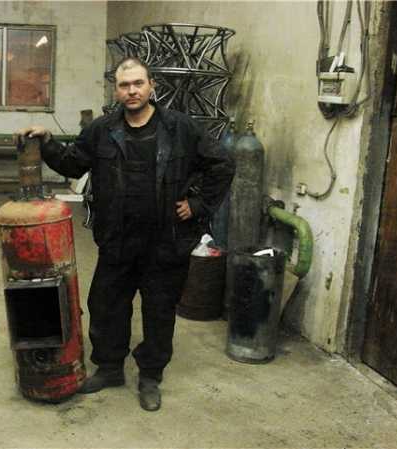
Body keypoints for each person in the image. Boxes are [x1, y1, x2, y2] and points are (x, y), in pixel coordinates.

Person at [15, 57, 235, 412]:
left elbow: (222, 163)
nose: (132, 91)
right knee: (106, 306)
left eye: (138, 83)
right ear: (116, 90)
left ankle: (150, 376)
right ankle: (110, 368)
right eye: (124, 85)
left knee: (159, 312)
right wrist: (47, 141)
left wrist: (198, 204)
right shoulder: (102, 130)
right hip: (118, 239)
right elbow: (73, 163)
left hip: (165, 241)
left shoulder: (180, 128)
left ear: (151, 86)